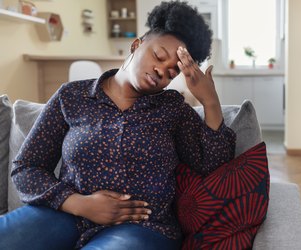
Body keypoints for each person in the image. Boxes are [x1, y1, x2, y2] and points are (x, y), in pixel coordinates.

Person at [0, 1, 236, 249]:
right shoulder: (71, 96)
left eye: (171, 72)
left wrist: (210, 101)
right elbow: (26, 167)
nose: (160, 70)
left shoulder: (172, 109)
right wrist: (79, 203)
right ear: (137, 44)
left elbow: (214, 166)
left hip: (143, 228)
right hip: (64, 215)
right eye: (158, 56)